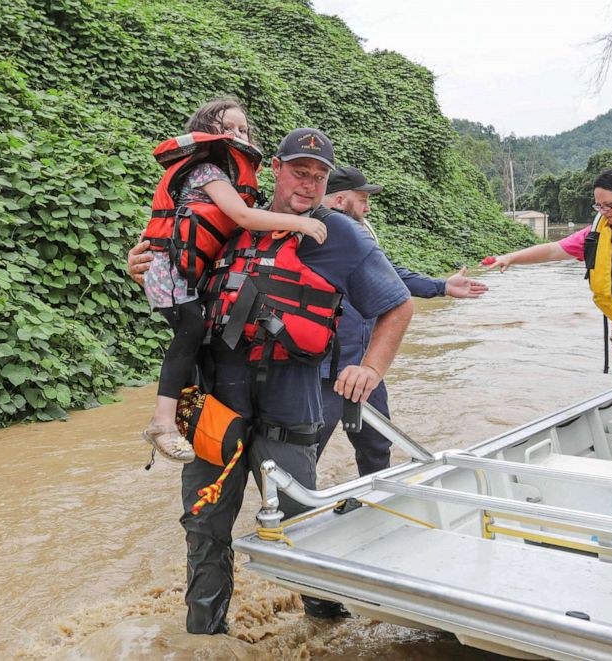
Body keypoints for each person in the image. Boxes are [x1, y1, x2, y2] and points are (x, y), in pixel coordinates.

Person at [129, 128, 413, 632]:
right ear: (276, 169)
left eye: (319, 177)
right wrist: (143, 265)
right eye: (299, 172)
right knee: (204, 523)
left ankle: (327, 624)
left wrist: (370, 368)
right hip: (218, 397)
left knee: (301, 522)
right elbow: (175, 258)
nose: (308, 184)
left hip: (291, 397)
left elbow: (396, 304)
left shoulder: (339, 235)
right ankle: (205, 633)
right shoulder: (230, 218)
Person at [138, 98, 327, 464]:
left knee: (193, 330)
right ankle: (163, 421)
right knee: (190, 329)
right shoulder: (207, 171)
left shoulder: (226, 177)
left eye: (243, 129)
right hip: (170, 272)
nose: (237, 135)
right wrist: (301, 223)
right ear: (205, 132)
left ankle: (175, 420)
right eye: (228, 128)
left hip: (184, 277)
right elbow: (242, 216)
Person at [488, 169, 612, 466]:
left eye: (608, 205)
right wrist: (510, 258)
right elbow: (553, 250)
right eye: (598, 206)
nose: (603, 211)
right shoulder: (598, 232)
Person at [316, 166, 488, 475]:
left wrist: (442, 287)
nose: (368, 207)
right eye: (363, 199)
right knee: (310, 448)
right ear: (340, 200)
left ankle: (371, 503)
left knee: (376, 444)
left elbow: (391, 277)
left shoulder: (356, 237)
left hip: (365, 365)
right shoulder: (315, 233)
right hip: (323, 370)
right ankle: (297, 519)